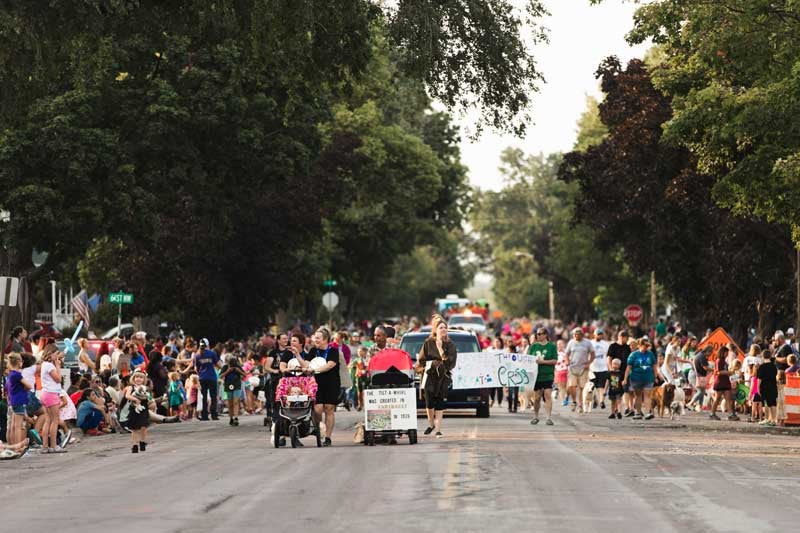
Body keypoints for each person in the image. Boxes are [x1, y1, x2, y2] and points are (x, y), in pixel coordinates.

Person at [417, 315, 457, 439]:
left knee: (440, 401)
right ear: (435, 329)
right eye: (441, 327)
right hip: (429, 376)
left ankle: (438, 429)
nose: (443, 329)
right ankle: (431, 424)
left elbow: (450, 363)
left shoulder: (450, 344)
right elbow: (421, 360)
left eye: (445, 327)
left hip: (443, 376)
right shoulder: (428, 343)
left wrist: (440, 348)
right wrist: (426, 367)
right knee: (429, 401)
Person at [308, 327, 340, 447]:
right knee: (317, 410)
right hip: (316, 384)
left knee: (329, 409)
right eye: (315, 337)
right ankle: (318, 431)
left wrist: (314, 370)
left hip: (331, 383)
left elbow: (330, 365)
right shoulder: (312, 351)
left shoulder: (333, 351)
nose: (315, 340)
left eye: (318, 338)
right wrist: (298, 357)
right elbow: (306, 364)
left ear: (325, 339)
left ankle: (327, 437)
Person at [39, 346, 68, 453]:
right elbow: (58, 379)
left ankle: (45, 446)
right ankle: (54, 445)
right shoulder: (50, 366)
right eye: (56, 353)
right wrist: (58, 366)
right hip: (51, 394)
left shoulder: (44, 365)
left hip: (45, 393)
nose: (57, 356)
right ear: (50, 354)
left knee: (48, 420)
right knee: (55, 420)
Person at [622, 337, 656, 420]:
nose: (646, 348)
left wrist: (655, 376)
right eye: (645, 346)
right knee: (638, 395)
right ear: (639, 345)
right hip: (636, 378)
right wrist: (625, 378)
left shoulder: (650, 354)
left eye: (647, 346)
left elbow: (654, 366)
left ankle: (648, 412)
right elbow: (628, 368)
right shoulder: (633, 355)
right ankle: (638, 412)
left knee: (647, 395)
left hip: (648, 377)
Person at [529, 328, 557, 426]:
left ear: (545, 335)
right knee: (537, 398)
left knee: (548, 395)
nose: (538, 336)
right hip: (536, 376)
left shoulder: (551, 346)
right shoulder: (533, 346)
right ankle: (536, 416)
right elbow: (527, 359)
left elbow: (554, 360)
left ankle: (548, 418)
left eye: (540, 334)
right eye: (537, 334)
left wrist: (543, 362)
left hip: (548, 375)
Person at [564, 328, 595, 413]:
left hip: (583, 368)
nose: (576, 336)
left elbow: (593, 354)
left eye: (578, 335)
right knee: (572, 386)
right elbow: (566, 353)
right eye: (574, 335)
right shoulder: (571, 342)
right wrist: (567, 361)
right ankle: (574, 401)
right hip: (573, 367)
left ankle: (580, 405)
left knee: (582, 387)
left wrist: (589, 363)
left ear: (582, 335)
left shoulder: (587, 343)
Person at [4, 353, 30, 445]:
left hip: (12, 401)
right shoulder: (17, 375)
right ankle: (18, 445)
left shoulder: (10, 375)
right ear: (19, 362)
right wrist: (25, 389)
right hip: (19, 400)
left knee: (12, 426)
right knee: (19, 426)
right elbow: (29, 385)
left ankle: (12, 444)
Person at [124, 369, 151, 452]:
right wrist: (135, 399)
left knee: (143, 426)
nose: (138, 379)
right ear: (133, 378)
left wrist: (146, 397)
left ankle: (142, 441)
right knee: (134, 428)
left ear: (144, 380)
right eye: (137, 377)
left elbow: (149, 397)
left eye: (141, 377)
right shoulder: (131, 387)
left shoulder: (145, 388)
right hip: (134, 409)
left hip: (143, 408)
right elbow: (127, 396)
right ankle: (134, 444)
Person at [193, 338, 220, 421]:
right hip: (212, 377)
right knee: (213, 396)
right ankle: (214, 415)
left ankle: (204, 415)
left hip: (202, 378)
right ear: (207, 345)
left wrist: (200, 373)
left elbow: (196, 368)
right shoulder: (212, 353)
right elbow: (218, 364)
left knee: (203, 397)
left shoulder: (197, 355)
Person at [709, 346, 738, 421]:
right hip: (719, 382)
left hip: (726, 382)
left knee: (728, 398)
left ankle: (731, 414)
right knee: (717, 398)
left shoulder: (725, 361)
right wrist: (729, 372)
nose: (727, 354)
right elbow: (719, 371)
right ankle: (712, 413)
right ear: (723, 353)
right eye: (726, 353)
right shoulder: (719, 361)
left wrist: (730, 373)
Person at [220, 356, 245, 426]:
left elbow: (245, 374)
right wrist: (228, 371)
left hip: (237, 385)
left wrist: (238, 370)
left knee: (236, 402)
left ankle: (236, 418)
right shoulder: (225, 367)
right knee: (230, 403)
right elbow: (221, 376)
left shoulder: (238, 367)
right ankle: (231, 418)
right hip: (228, 386)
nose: (232, 365)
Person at [757, 350, 778, 426]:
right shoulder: (774, 366)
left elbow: (759, 379)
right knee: (773, 403)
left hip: (764, 387)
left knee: (765, 403)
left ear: (763, 356)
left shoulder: (762, 367)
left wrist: (758, 388)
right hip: (773, 386)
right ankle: (773, 420)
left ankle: (766, 418)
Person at [688, 346, 713, 411]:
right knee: (700, 391)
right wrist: (713, 370)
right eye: (710, 352)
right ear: (707, 351)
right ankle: (690, 403)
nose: (711, 354)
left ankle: (700, 406)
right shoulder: (702, 357)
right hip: (696, 375)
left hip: (697, 375)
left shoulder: (700, 355)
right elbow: (705, 367)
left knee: (702, 391)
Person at [590, 328, 610, 409]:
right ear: (594, 335)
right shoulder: (590, 343)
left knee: (601, 386)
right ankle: (595, 400)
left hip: (603, 368)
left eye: (601, 334)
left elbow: (608, 355)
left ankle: (601, 401)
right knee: (592, 387)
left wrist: (609, 366)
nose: (600, 336)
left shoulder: (605, 344)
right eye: (598, 334)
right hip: (592, 368)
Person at [487, 336, 505, 407]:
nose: (497, 343)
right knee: (491, 388)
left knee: (499, 388)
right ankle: (492, 400)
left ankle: (500, 403)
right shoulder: (490, 350)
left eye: (498, 342)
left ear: (501, 343)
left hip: (500, 372)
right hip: (492, 371)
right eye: (496, 342)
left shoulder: (504, 351)